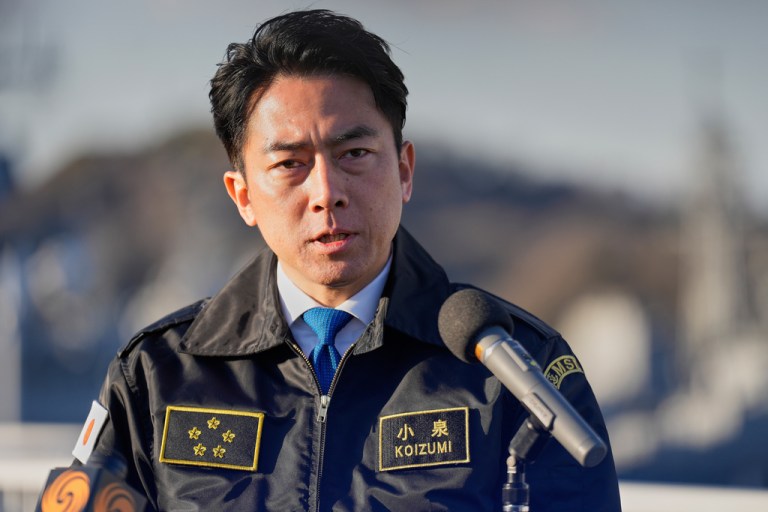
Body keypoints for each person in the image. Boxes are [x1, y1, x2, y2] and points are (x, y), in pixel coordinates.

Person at [70, 9, 621, 511]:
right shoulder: (158, 375)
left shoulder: (519, 369)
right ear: (242, 196)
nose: (326, 192)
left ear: (404, 170)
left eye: (354, 153)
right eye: (290, 164)